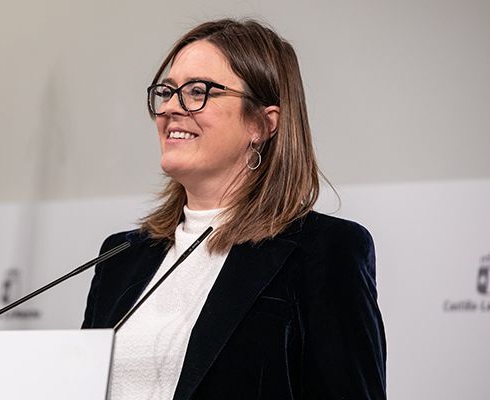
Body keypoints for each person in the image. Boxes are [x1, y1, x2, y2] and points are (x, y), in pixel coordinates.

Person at [82, 18, 386, 400]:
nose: (170, 108)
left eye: (197, 91)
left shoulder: (325, 252)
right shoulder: (119, 258)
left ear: (262, 124)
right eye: (167, 91)